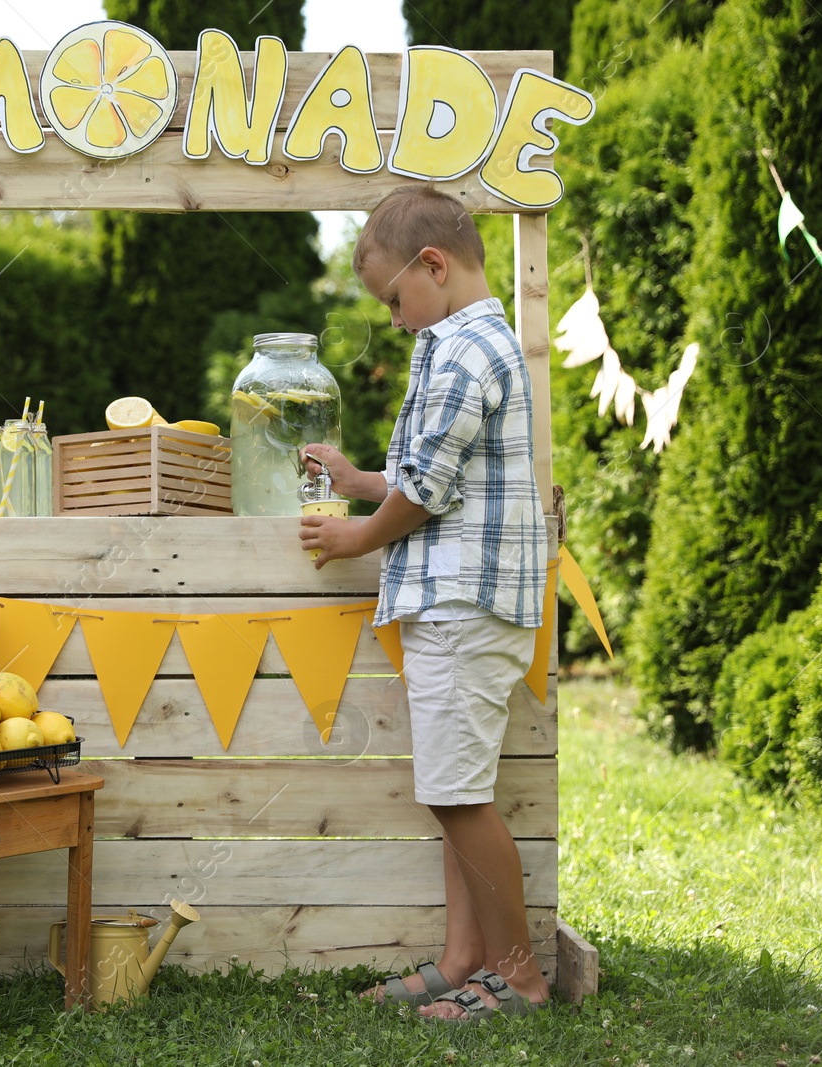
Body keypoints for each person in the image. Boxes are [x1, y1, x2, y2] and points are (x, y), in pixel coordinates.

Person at [299, 186, 549, 1021]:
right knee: (455, 786)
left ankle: (518, 972)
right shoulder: (467, 340)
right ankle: (465, 956)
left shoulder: (463, 349)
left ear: (433, 266)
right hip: (464, 605)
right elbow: (431, 476)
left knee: (457, 796)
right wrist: (361, 480)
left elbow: (429, 489)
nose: (397, 319)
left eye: (394, 300)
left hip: (464, 606)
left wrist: (357, 536)